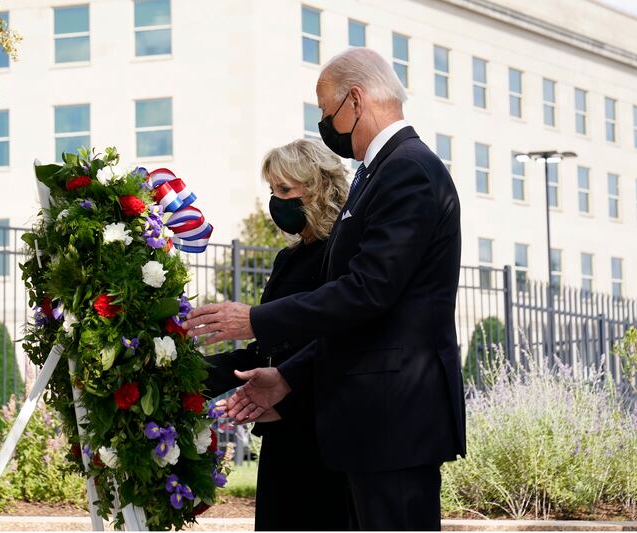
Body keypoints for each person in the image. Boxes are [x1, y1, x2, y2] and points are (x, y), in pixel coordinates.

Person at [184, 47, 466, 531]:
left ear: (355, 100)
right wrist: (287, 376)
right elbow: (358, 316)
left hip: (393, 419)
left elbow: (367, 292)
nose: (325, 124)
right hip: (370, 423)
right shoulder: (379, 174)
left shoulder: (408, 169)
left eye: (326, 111)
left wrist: (254, 318)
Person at [203, 139, 349, 531]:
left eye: (286, 190)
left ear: (319, 187)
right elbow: (263, 352)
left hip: (325, 436)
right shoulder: (288, 259)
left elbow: (341, 342)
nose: (277, 201)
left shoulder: (344, 253)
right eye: (272, 191)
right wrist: (188, 372)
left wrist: (287, 392)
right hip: (282, 436)